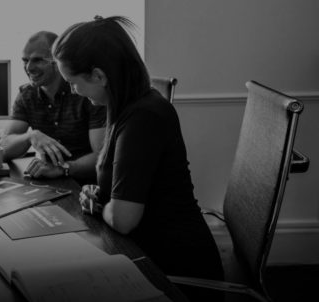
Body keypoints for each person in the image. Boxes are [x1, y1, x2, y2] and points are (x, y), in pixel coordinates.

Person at [53, 16, 224, 301]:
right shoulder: (125, 104)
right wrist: (104, 194)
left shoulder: (142, 117)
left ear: (99, 76)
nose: (73, 91)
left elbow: (122, 220)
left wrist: (100, 206)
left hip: (172, 270)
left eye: (72, 82)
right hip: (145, 252)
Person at [2, 31, 106, 184]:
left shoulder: (86, 91)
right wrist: (30, 136)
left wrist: (63, 168)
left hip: (88, 185)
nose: (29, 68)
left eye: (37, 60)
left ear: (57, 61)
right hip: (50, 181)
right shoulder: (26, 95)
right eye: (25, 60)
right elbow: (2, 150)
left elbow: (102, 155)